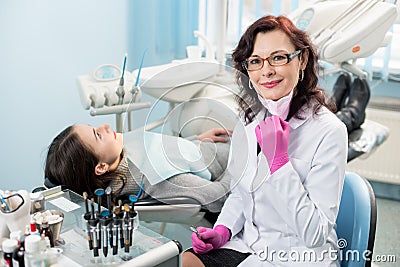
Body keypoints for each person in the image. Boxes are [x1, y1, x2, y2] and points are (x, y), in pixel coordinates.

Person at [183, 15, 348, 266]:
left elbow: (314, 235)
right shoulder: (249, 120)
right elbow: (240, 194)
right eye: (255, 62)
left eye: (279, 57)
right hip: (250, 245)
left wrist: (280, 164)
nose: (266, 70)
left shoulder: (329, 131)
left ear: (301, 60)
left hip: (298, 256)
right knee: (189, 260)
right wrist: (223, 231)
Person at [44, 125, 232, 213]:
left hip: (212, 147)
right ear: (101, 167)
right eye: (98, 135)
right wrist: (242, 161)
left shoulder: (120, 157)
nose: (106, 126)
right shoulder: (155, 176)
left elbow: (165, 152)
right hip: (236, 161)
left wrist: (195, 141)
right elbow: (218, 198)